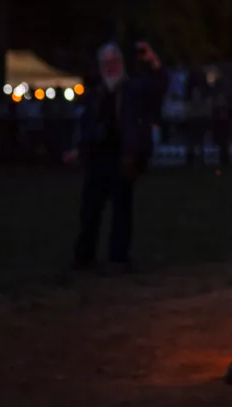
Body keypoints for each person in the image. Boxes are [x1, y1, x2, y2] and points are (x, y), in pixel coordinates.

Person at [65, 41, 168, 271]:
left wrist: (153, 60)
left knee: (122, 210)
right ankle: (84, 257)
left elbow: (160, 85)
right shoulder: (96, 93)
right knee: (90, 209)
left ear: (121, 64)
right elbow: (88, 124)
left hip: (123, 157)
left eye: (114, 62)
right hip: (97, 157)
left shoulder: (134, 89)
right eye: (106, 63)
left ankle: (118, 257)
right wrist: (79, 149)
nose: (110, 67)